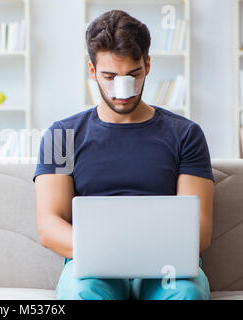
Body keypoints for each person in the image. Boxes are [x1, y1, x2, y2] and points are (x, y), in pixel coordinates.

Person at [33, 10, 214, 300]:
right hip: (93, 267)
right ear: (92, 72)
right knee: (83, 293)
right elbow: (49, 225)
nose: (122, 91)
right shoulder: (60, 136)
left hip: (166, 266)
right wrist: (110, 252)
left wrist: (140, 253)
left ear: (148, 65)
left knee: (186, 294)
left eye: (133, 75)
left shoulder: (185, 134)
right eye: (109, 76)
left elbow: (200, 231)